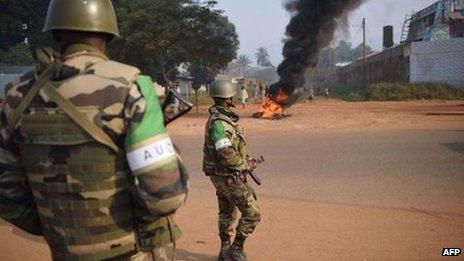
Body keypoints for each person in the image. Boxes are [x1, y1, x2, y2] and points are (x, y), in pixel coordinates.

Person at [0, 0, 188, 260]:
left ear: (54, 33)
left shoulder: (17, 95)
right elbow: (165, 195)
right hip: (129, 252)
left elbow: (7, 196)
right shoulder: (132, 87)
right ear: (109, 34)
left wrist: (61, 227)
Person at [203, 80, 261, 261]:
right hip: (227, 176)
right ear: (228, 98)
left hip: (222, 175)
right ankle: (235, 249)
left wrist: (245, 159)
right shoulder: (220, 123)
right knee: (252, 213)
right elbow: (225, 153)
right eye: (232, 96)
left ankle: (224, 251)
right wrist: (245, 165)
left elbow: (229, 148)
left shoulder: (220, 119)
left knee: (227, 213)